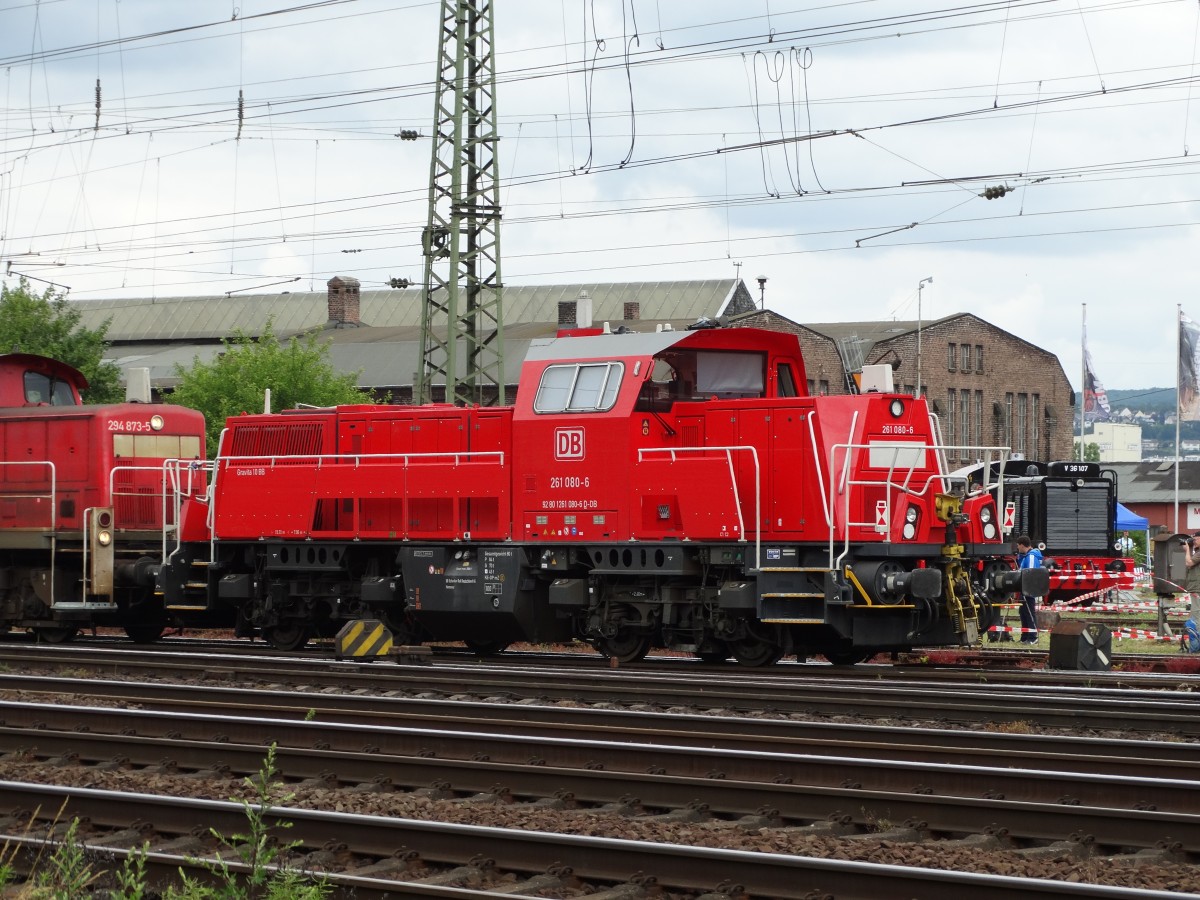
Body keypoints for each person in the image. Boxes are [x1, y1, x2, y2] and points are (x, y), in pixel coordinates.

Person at [1015, 534, 1044, 644]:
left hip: (1028, 590)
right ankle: (1025, 636)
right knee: (1023, 612)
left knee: (1029, 613)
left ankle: (1033, 637)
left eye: (1018, 545)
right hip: (1024, 589)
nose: (1017, 548)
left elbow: (1030, 573)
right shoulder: (1026, 556)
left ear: (1022, 545)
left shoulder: (1031, 557)